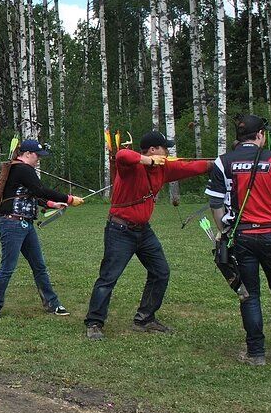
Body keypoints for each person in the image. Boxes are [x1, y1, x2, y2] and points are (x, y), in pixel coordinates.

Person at [84, 131, 211, 340]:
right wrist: (148, 161)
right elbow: (122, 155)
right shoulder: (130, 167)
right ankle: (94, 322)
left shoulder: (164, 169)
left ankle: (145, 318)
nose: (168, 152)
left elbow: (192, 167)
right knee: (108, 278)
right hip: (120, 230)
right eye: (164, 148)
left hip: (143, 231)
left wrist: (222, 163)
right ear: (153, 150)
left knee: (161, 272)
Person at [206, 114, 271, 365]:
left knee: (249, 294)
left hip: (243, 237)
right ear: (260, 135)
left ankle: (256, 353)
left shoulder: (223, 162)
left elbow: (216, 204)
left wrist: (223, 232)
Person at [0, 140, 84, 321]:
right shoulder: (23, 169)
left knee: (39, 266)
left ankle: (52, 303)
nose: (38, 159)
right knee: (7, 267)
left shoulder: (19, 170)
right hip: (12, 223)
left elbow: (30, 194)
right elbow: (41, 190)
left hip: (25, 224)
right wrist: (68, 198)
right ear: (28, 154)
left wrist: (52, 204)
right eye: (37, 156)